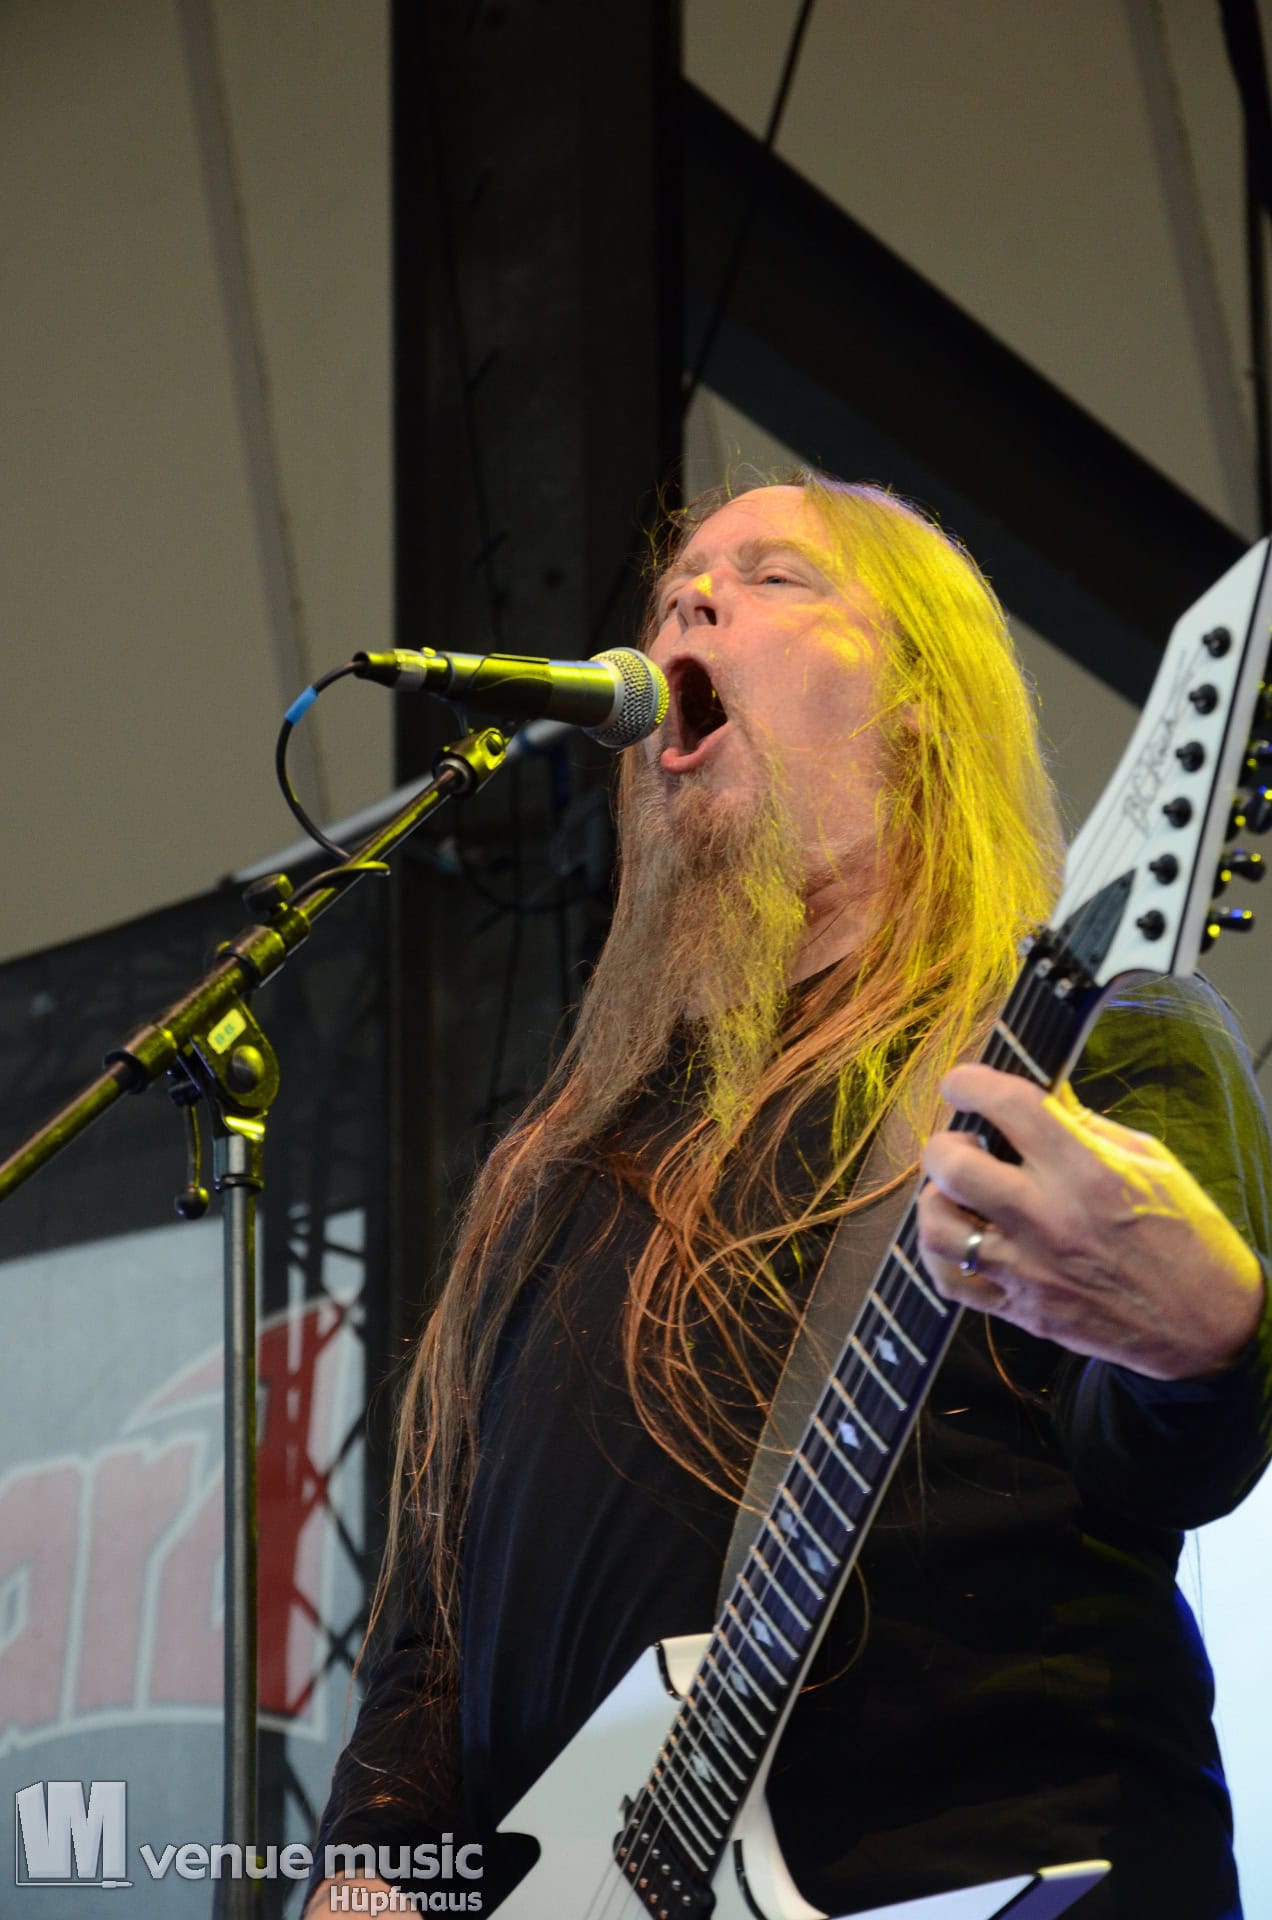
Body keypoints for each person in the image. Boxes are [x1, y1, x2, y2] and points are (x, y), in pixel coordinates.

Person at [304, 478, 1272, 1919]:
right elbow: (439, 1632)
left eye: (772, 578)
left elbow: (1170, 1465)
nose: (688, 601)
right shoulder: (561, 1168)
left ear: (921, 705)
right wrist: (373, 1870)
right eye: (676, 587)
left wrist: (1211, 1343)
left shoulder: (1079, 1048)